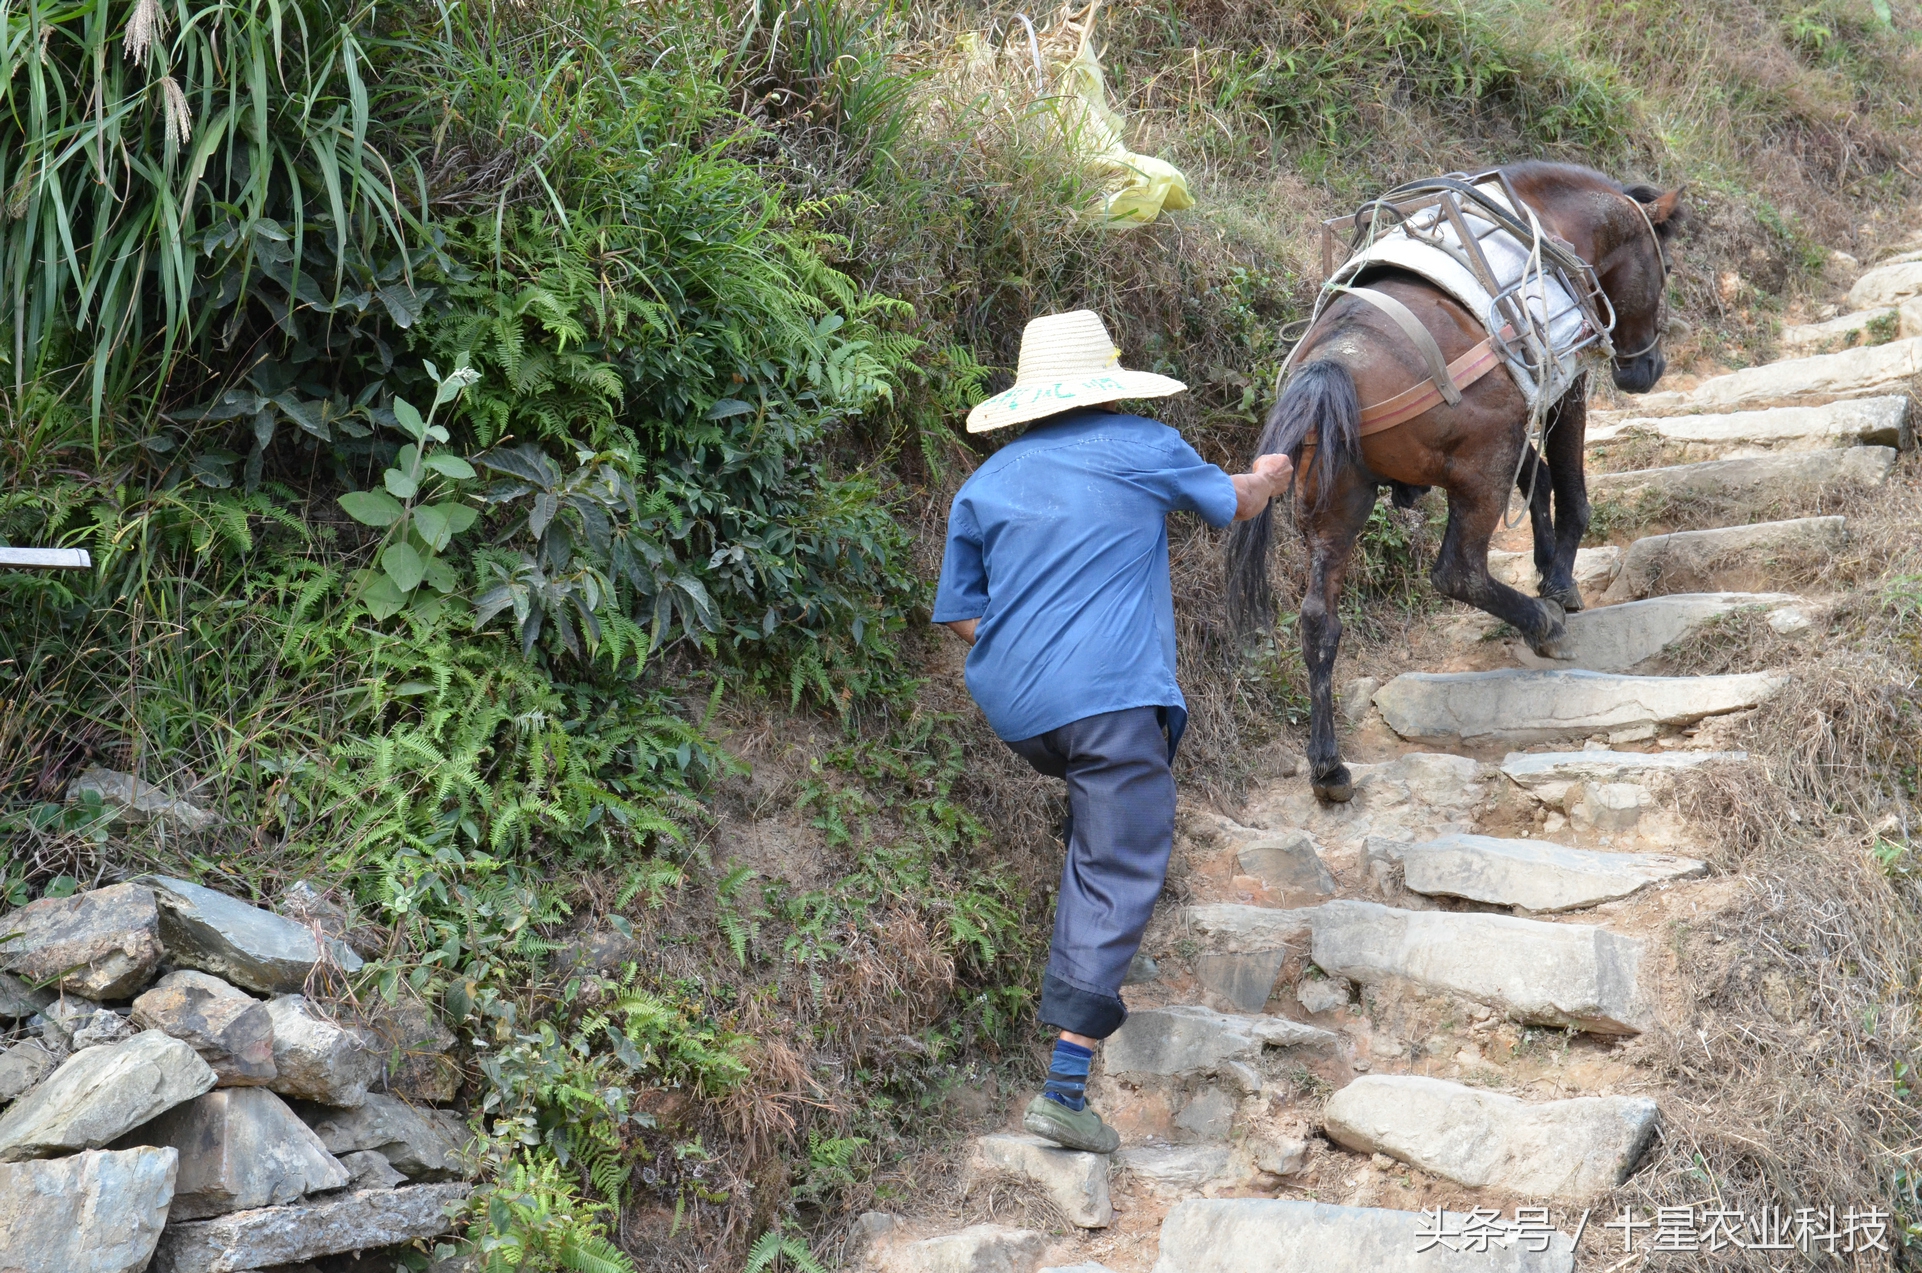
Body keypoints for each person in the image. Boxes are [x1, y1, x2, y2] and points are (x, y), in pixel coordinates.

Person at [932, 309, 1293, 1152]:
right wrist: (1270, 474)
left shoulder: (987, 481)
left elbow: (957, 615)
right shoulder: (1143, 444)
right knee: (1118, 861)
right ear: (1106, 383)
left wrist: (1034, 661)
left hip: (1020, 711)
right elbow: (1234, 504)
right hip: (1112, 700)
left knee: (1099, 823)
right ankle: (1064, 1089)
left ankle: (1090, 847)